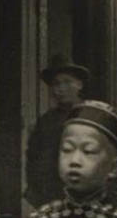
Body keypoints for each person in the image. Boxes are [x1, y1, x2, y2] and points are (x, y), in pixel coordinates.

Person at [24, 54, 88, 208]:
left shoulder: (90, 115)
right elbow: (33, 158)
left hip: (83, 196)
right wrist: (37, 193)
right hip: (50, 197)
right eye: (56, 84)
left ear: (79, 84)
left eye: (67, 82)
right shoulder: (46, 121)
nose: (61, 89)